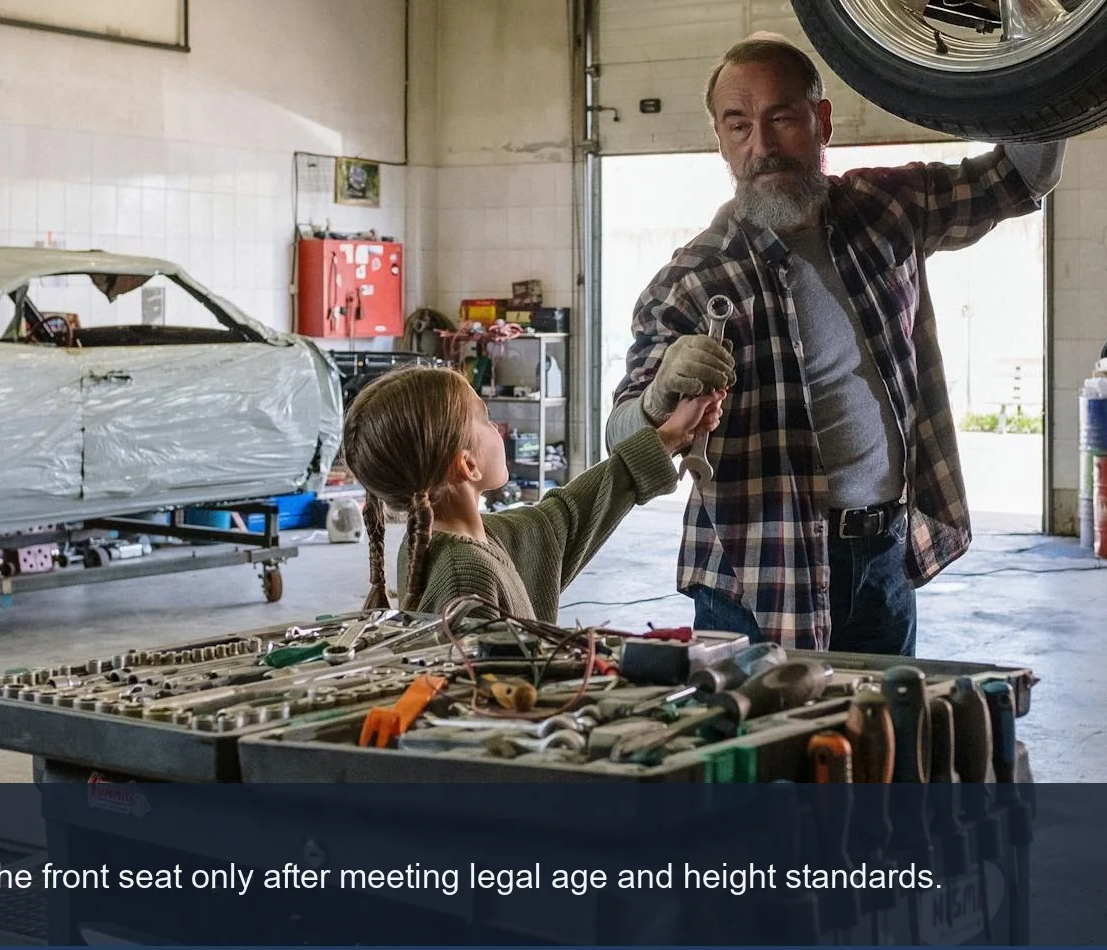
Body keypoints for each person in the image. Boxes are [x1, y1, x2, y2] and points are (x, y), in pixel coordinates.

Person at [608, 34, 1065, 654]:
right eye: (738, 126)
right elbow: (621, 436)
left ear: (822, 121)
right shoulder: (692, 281)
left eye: (782, 119)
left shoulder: (884, 209)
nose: (762, 147)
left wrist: (1055, 49)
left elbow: (1018, 176)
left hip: (882, 555)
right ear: (719, 139)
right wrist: (660, 396)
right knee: (770, 747)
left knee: (880, 740)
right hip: (756, 574)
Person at [344, 365, 723, 619]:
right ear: (468, 465)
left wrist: (668, 437)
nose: (498, 429)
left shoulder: (447, 542)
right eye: (486, 419)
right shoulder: (466, 576)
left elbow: (564, 518)